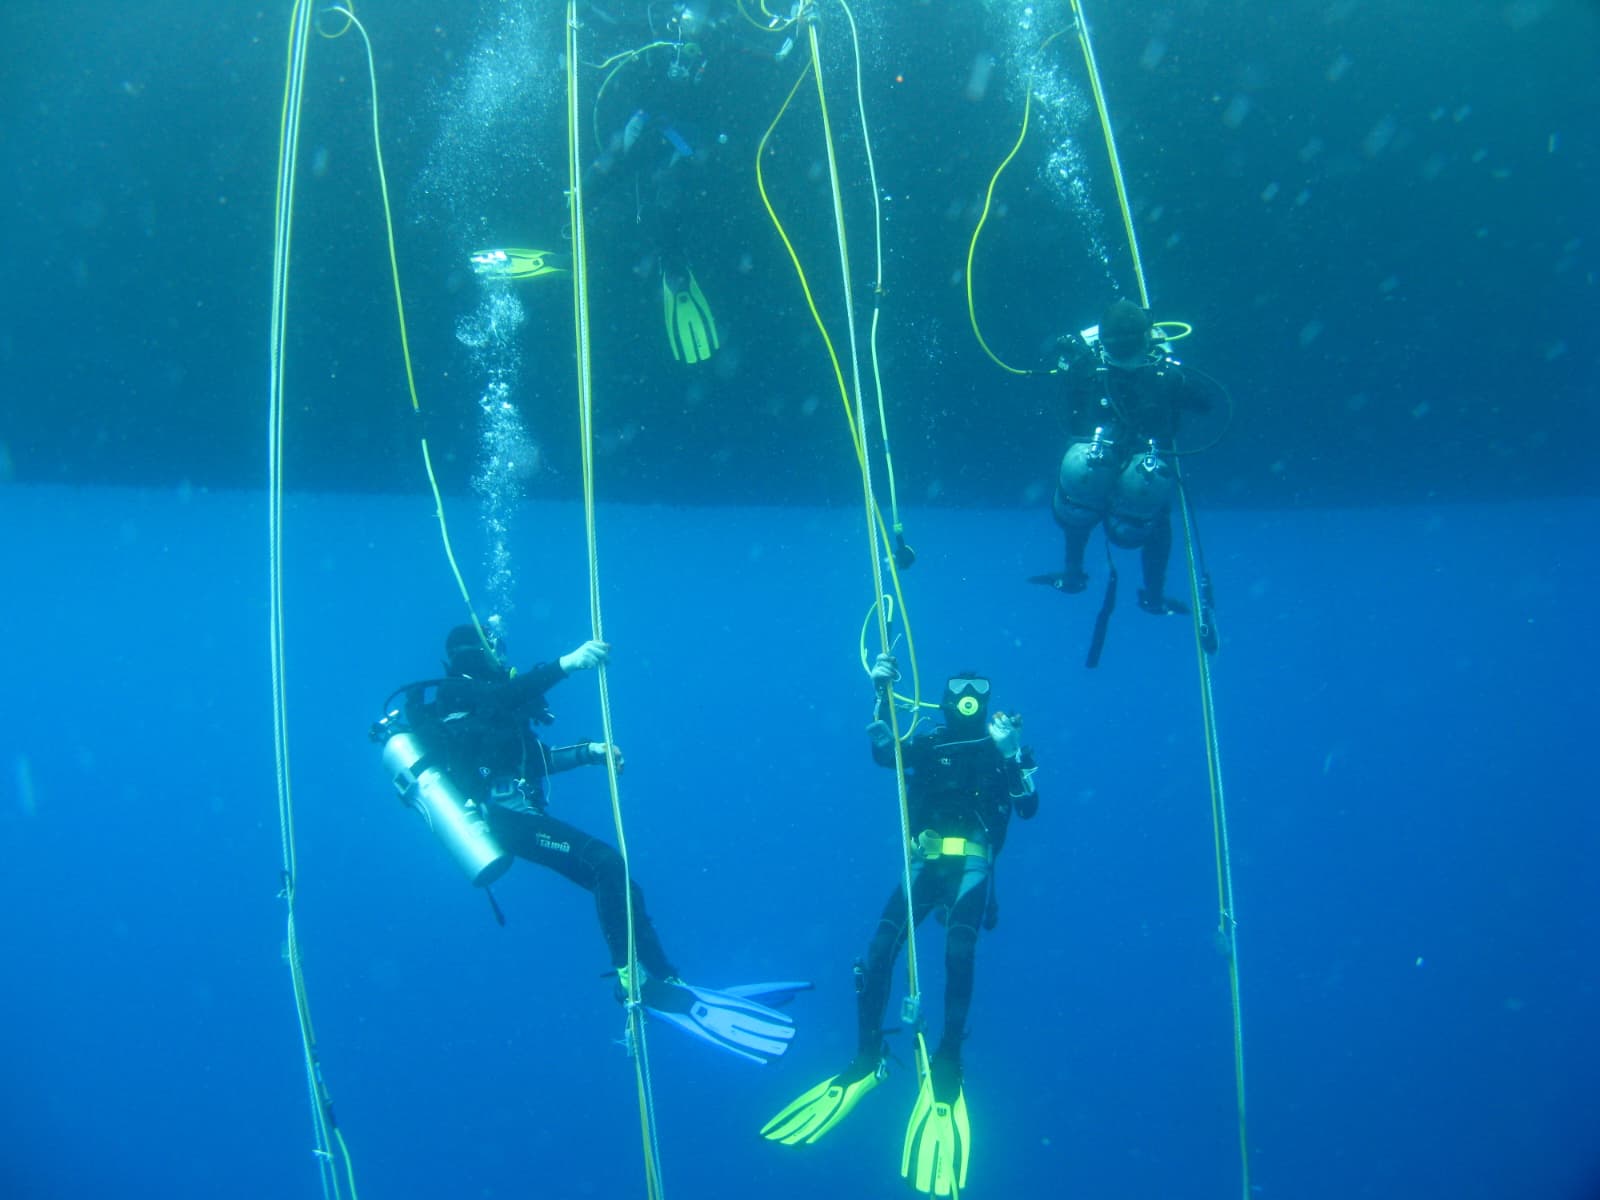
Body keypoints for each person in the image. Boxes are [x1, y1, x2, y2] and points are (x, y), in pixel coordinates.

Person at [376, 623, 806, 1063]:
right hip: (501, 819)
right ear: (477, 651)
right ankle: (629, 979)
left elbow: (533, 759)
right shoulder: (457, 695)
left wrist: (591, 751)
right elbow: (498, 699)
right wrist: (567, 663)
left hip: (523, 814)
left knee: (621, 882)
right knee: (606, 865)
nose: (501, 657)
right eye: (495, 648)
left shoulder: (488, 711)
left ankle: (662, 978)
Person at [761, 653, 1039, 1198]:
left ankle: (949, 1059)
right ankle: (869, 1057)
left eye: (978, 687)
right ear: (944, 696)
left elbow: (1028, 807)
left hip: (973, 867)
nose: (968, 694)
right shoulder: (931, 743)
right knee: (879, 948)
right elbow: (885, 752)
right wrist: (879, 692)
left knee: (958, 954)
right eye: (959, 685)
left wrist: (1008, 755)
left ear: (988, 701)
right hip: (926, 866)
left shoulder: (1002, 750)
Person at [1040, 297, 1214, 615]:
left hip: (1094, 461)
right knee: (1157, 515)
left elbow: (1066, 405)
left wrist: (1073, 354)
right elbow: (1205, 403)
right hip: (1142, 467)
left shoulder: (1088, 367)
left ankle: (1073, 573)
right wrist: (1171, 362)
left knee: (1080, 490)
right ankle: (1153, 594)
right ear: (1145, 338)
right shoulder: (1164, 374)